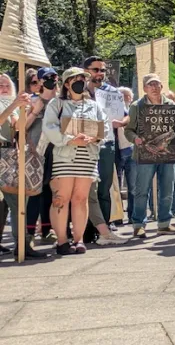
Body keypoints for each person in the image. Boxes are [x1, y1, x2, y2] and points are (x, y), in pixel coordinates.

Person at [42, 68, 110, 255]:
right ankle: (62, 241)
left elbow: (104, 127)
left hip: (87, 158)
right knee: (61, 198)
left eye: (83, 79)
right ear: (66, 84)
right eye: (76, 79)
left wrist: (94, 138)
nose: (81, 81)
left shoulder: (93, 105)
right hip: (64, 157)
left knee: (80, 199)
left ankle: (79, 240)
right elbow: (49, 127)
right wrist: (69, 139)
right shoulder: (57, 104)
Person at [124, 73, 175, 239]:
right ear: (144, 88)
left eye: (157, 84)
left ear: (162, 87)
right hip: (144, 153)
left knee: (168, 189)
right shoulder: (136, 106)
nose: (154, 88)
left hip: (168, 154)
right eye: (150, 85)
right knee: (142, 190)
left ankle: (164, 223)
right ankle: (139, 225)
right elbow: (128, 130)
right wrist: (136, 139)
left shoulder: (171, 104)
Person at [0, 75, 47, 258]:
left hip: (11, 154)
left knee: (18, 201)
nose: (4, 87)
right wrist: (15, 105)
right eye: (0, 85)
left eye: (7, 85)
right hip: (2, 153)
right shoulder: (8, 104)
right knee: (13, 201)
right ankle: (22, 244)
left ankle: (22, 244)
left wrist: (27, 110)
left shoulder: (12, 104)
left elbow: (19, 129)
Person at [83, 56, 124, 242]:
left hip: (107, 143)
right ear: (86, 71)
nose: (100, 74)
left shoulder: (112, 92)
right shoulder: (77, 91)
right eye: (95, 70)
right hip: (83, 145)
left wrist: (121, 122)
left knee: (104, 188)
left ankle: (104, 229)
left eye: (102, 70)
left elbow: (126, 116)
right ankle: (85, 229)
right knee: (85, 189)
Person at [25, 67, 59, 243]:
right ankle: (29, 232)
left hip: (58, 151)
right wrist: (35, 110)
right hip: (36, 151)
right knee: (35, 191)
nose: (50, 81)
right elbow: (22, 127)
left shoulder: (61, 102)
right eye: (46, 78)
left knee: (51, 191)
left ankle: (48, 229)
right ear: (38, 82)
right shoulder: (32, 101)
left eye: (54, 77)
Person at [116, 87, 136, 222]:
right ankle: (117, 216)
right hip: (116, 150)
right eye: (122, 96)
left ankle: (133, 215)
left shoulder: (133, 110)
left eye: (127, 96)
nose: (125, 98)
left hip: (131, 149)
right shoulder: (113, 109)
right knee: (115, 185)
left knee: (133, 185)